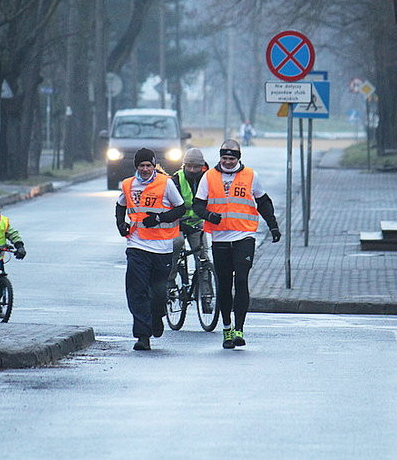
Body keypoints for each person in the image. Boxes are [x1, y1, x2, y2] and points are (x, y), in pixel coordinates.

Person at [193, 139, 281, 349]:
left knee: (241, 279)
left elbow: (263, 201)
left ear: (238, 158)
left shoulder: (250, 175)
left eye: (232, 159)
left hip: (244, 236)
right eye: (224, 158)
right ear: (220, 158)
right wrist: (209, 215)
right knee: (224, 284)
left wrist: (273, 225)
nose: (228, 162)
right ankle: (227, 329)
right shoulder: (209, 176)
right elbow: (198, 205)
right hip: (221, 238)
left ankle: (239, 329)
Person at [116, 147, 186, 351]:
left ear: (154, 165)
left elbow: (180, 208)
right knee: (137, 291)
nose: (145, 169)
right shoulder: (128, 184)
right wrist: (121, 224)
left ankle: (157, 316)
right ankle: (142, 336)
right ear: (136, 166)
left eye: (149, 165)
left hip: (162, 247)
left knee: (157, 294)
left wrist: (159, 218)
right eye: (141, 165)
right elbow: (120, 205)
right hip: (136, 245)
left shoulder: (166, 184)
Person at [168, 148, 211, 289]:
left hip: (197, 224)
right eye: (189, 166)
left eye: (196, 167)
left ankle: (206, 294)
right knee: (176, 243)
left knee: (203, 255)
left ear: (202, 167)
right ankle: (170, 282)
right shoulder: (175, 181)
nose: (192, 170)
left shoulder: (208, 180)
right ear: (184, 165)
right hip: (178, 224)